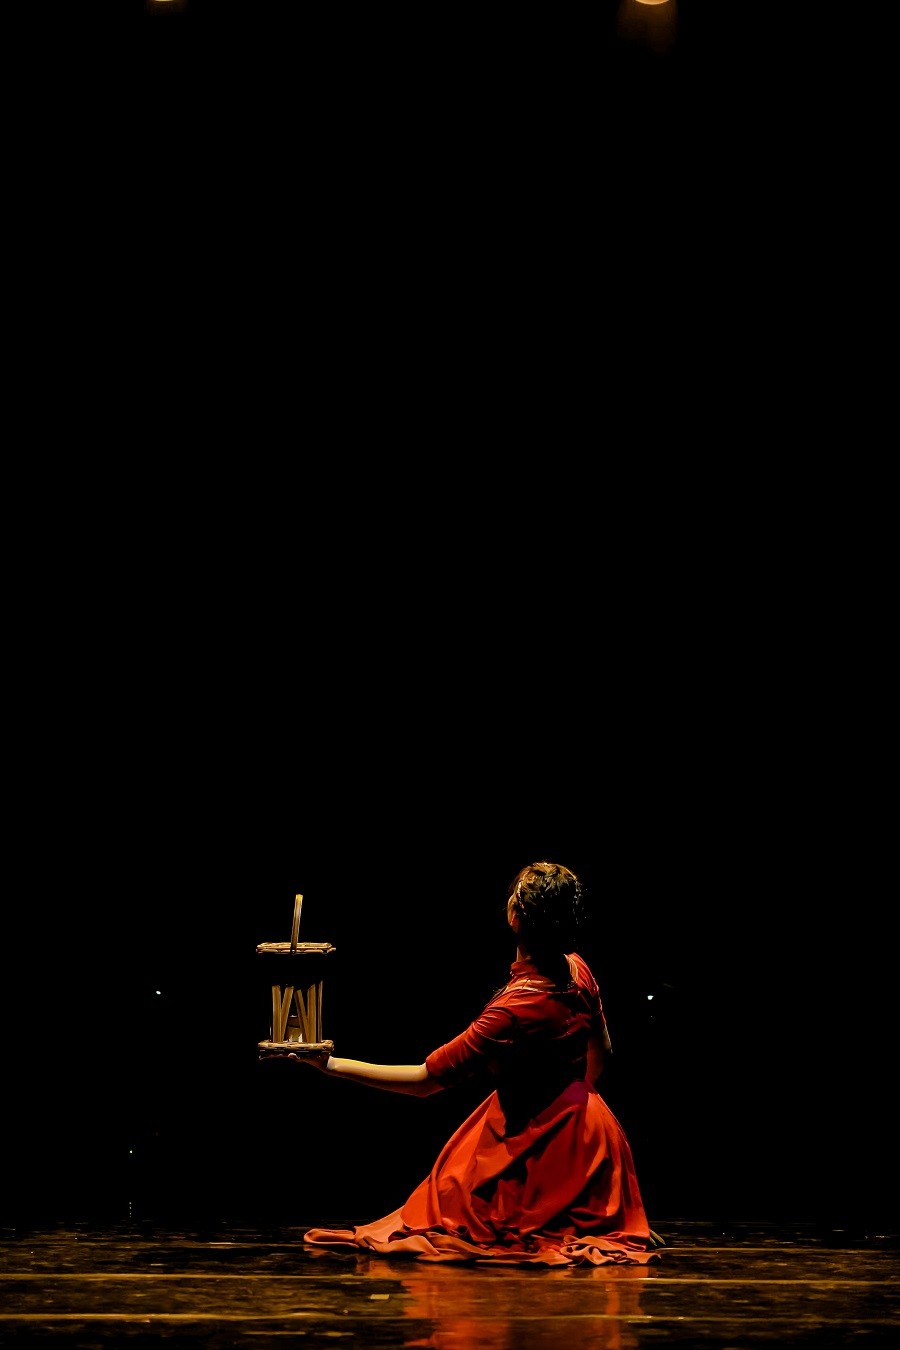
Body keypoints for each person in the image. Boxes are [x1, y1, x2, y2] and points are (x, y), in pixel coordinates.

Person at [270, 861, 663, 1266]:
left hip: (538, 1133)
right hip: (594, 1135)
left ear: (515, 917)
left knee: (456, 1207)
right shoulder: (578, 969)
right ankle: (595, 1211)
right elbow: (603, 1051)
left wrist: (330, 1064)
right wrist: (577, 1109)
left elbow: (424, 1081)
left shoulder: (511, 1010)